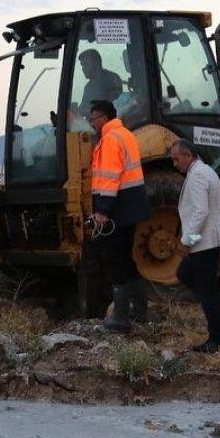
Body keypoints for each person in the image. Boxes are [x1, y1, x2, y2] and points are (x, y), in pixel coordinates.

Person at [170, 139, 220, 352]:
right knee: (184, 273)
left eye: (176, 158)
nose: (174, 163)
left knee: (206, 289)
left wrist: (187, 242)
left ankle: (216, 338)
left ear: (189, 155)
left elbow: (201, 211)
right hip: (206, 239)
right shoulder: (200, 172)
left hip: (206, 240)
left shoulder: (198, 175)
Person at [89, 100, 151, 332]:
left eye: (93, 118)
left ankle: (121, 317)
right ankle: (139, 311)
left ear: (103, 118)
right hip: (130, 206)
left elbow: (109, 178)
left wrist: (102, 211)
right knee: (126, 258)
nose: (91, 123)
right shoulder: (125, 134)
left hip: (117, 209)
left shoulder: (110, 140)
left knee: (115, 259)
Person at [78, 49, 123, 113]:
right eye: (82, 65)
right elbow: (83, 107)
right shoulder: (88, 87)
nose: (83, 68)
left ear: (96, 62)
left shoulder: (112, 79)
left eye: (86, 64)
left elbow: (117, 105)